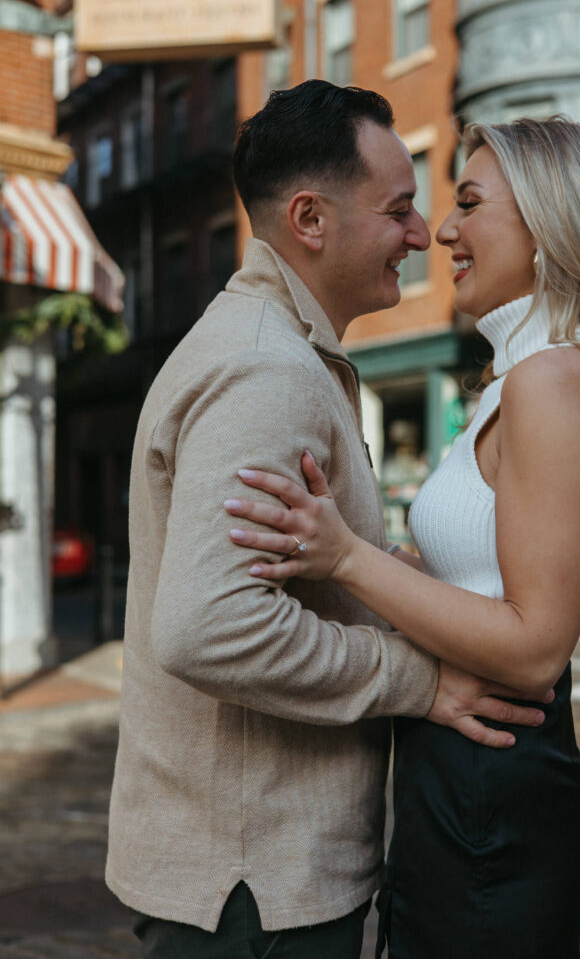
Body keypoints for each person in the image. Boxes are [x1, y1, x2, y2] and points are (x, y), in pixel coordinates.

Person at [105, 81, 548, 959]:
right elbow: (211, 627)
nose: (421, 235)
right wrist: (414, 680)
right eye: (398, 210)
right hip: (256, 885)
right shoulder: (266, 371)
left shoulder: (275, 349)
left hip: (249, 873)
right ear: (310, 219)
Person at [225, 116, 580, 959]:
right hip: (464, 773)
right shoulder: (529, 375)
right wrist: (360, 554)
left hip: (490, 780)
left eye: (468, 202)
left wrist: (348, 558)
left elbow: (535, 644)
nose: (443, 232)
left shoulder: (558, 381)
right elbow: (478, 584)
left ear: (549, 223)